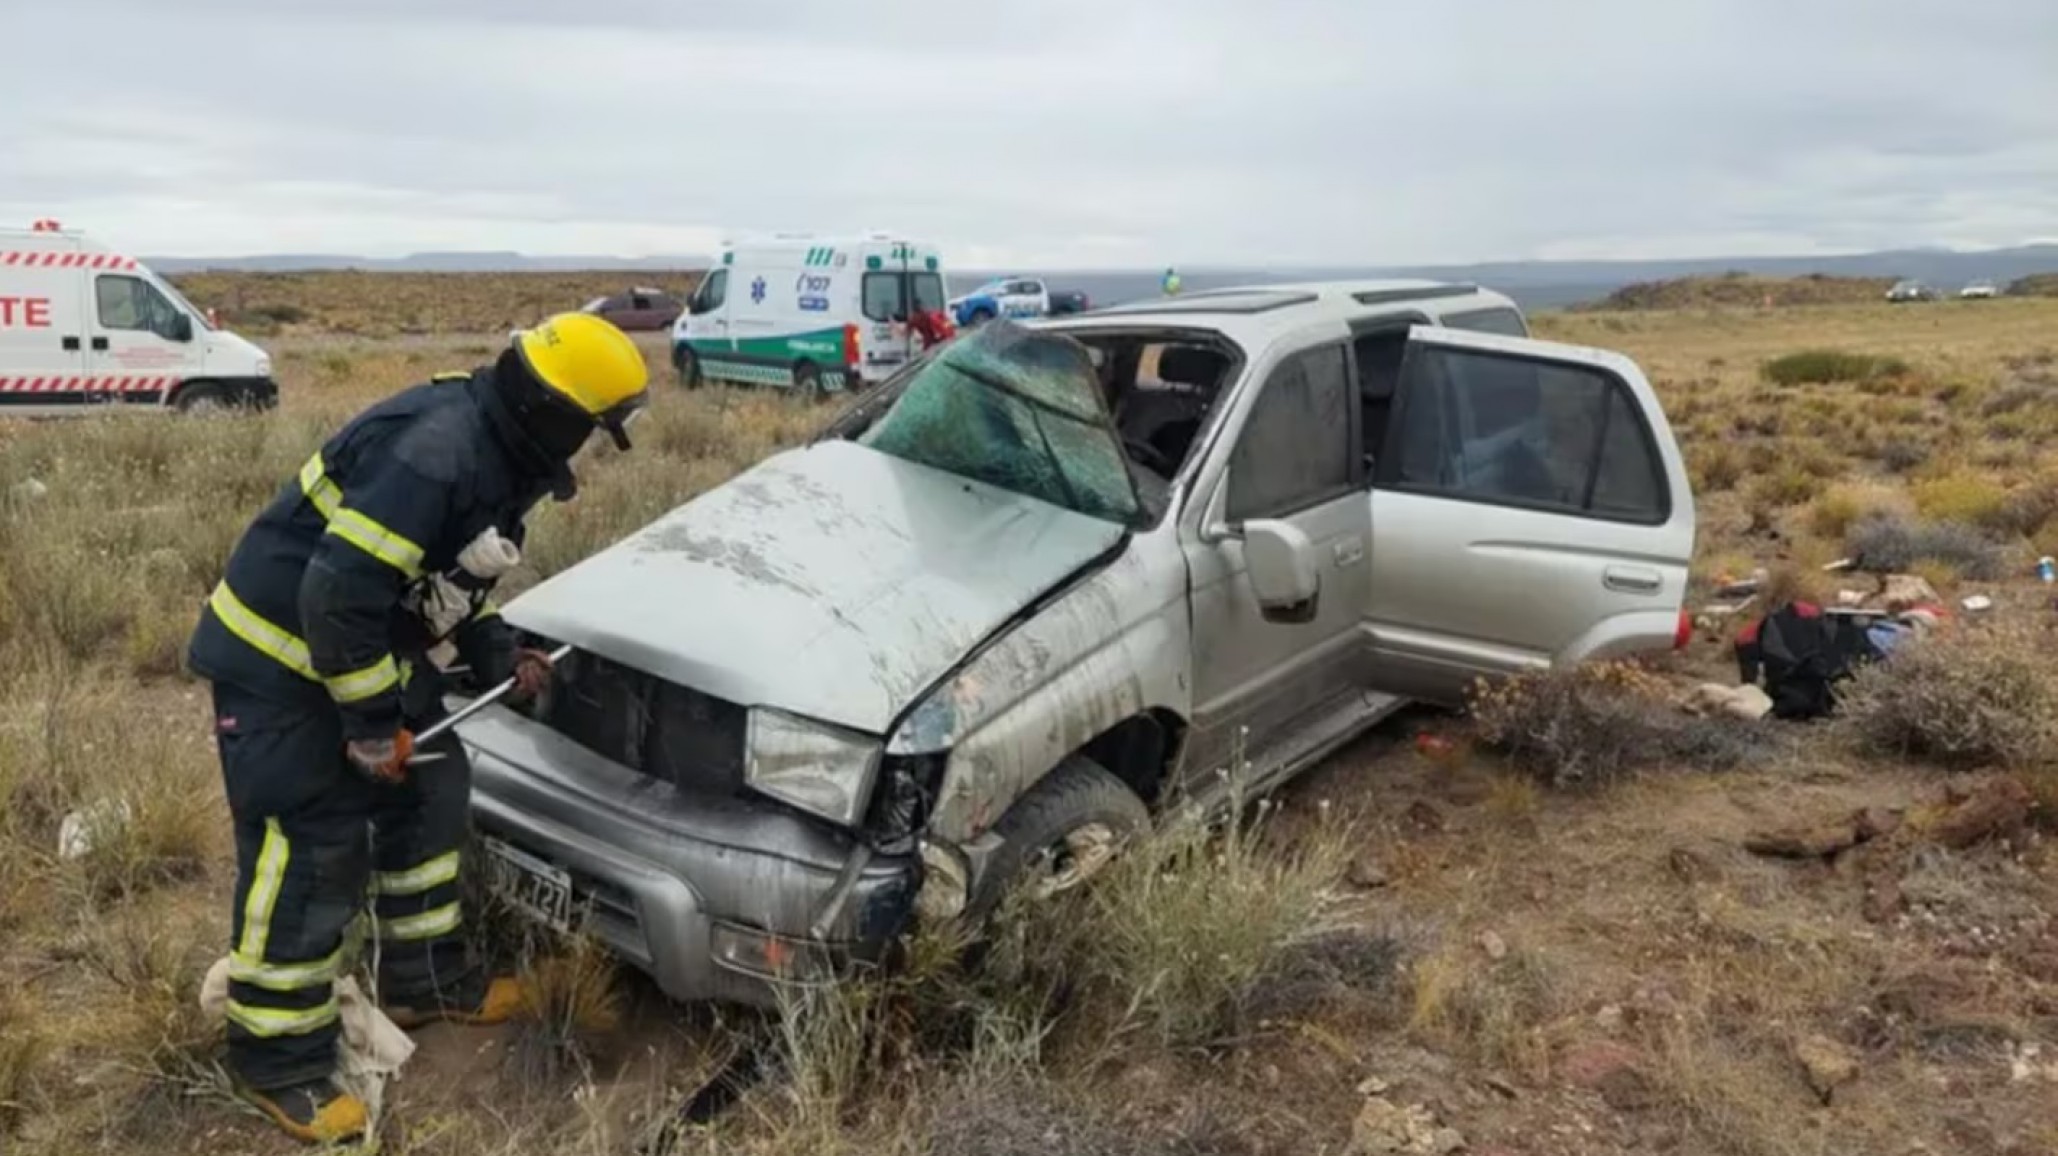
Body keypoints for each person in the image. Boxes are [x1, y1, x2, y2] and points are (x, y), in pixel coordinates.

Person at [184, 312, 649, 1144]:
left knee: (434, 784)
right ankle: (276, 1061)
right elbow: (337, 595)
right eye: (591, 429)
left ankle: (428, 979)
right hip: (281, 667)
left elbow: (441, 581)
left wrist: (501, 650)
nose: (587, 449)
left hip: (359, 655)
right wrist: (368, 729)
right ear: (559, 411)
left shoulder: (498, 452)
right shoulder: (434, 454)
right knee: (313, 848)